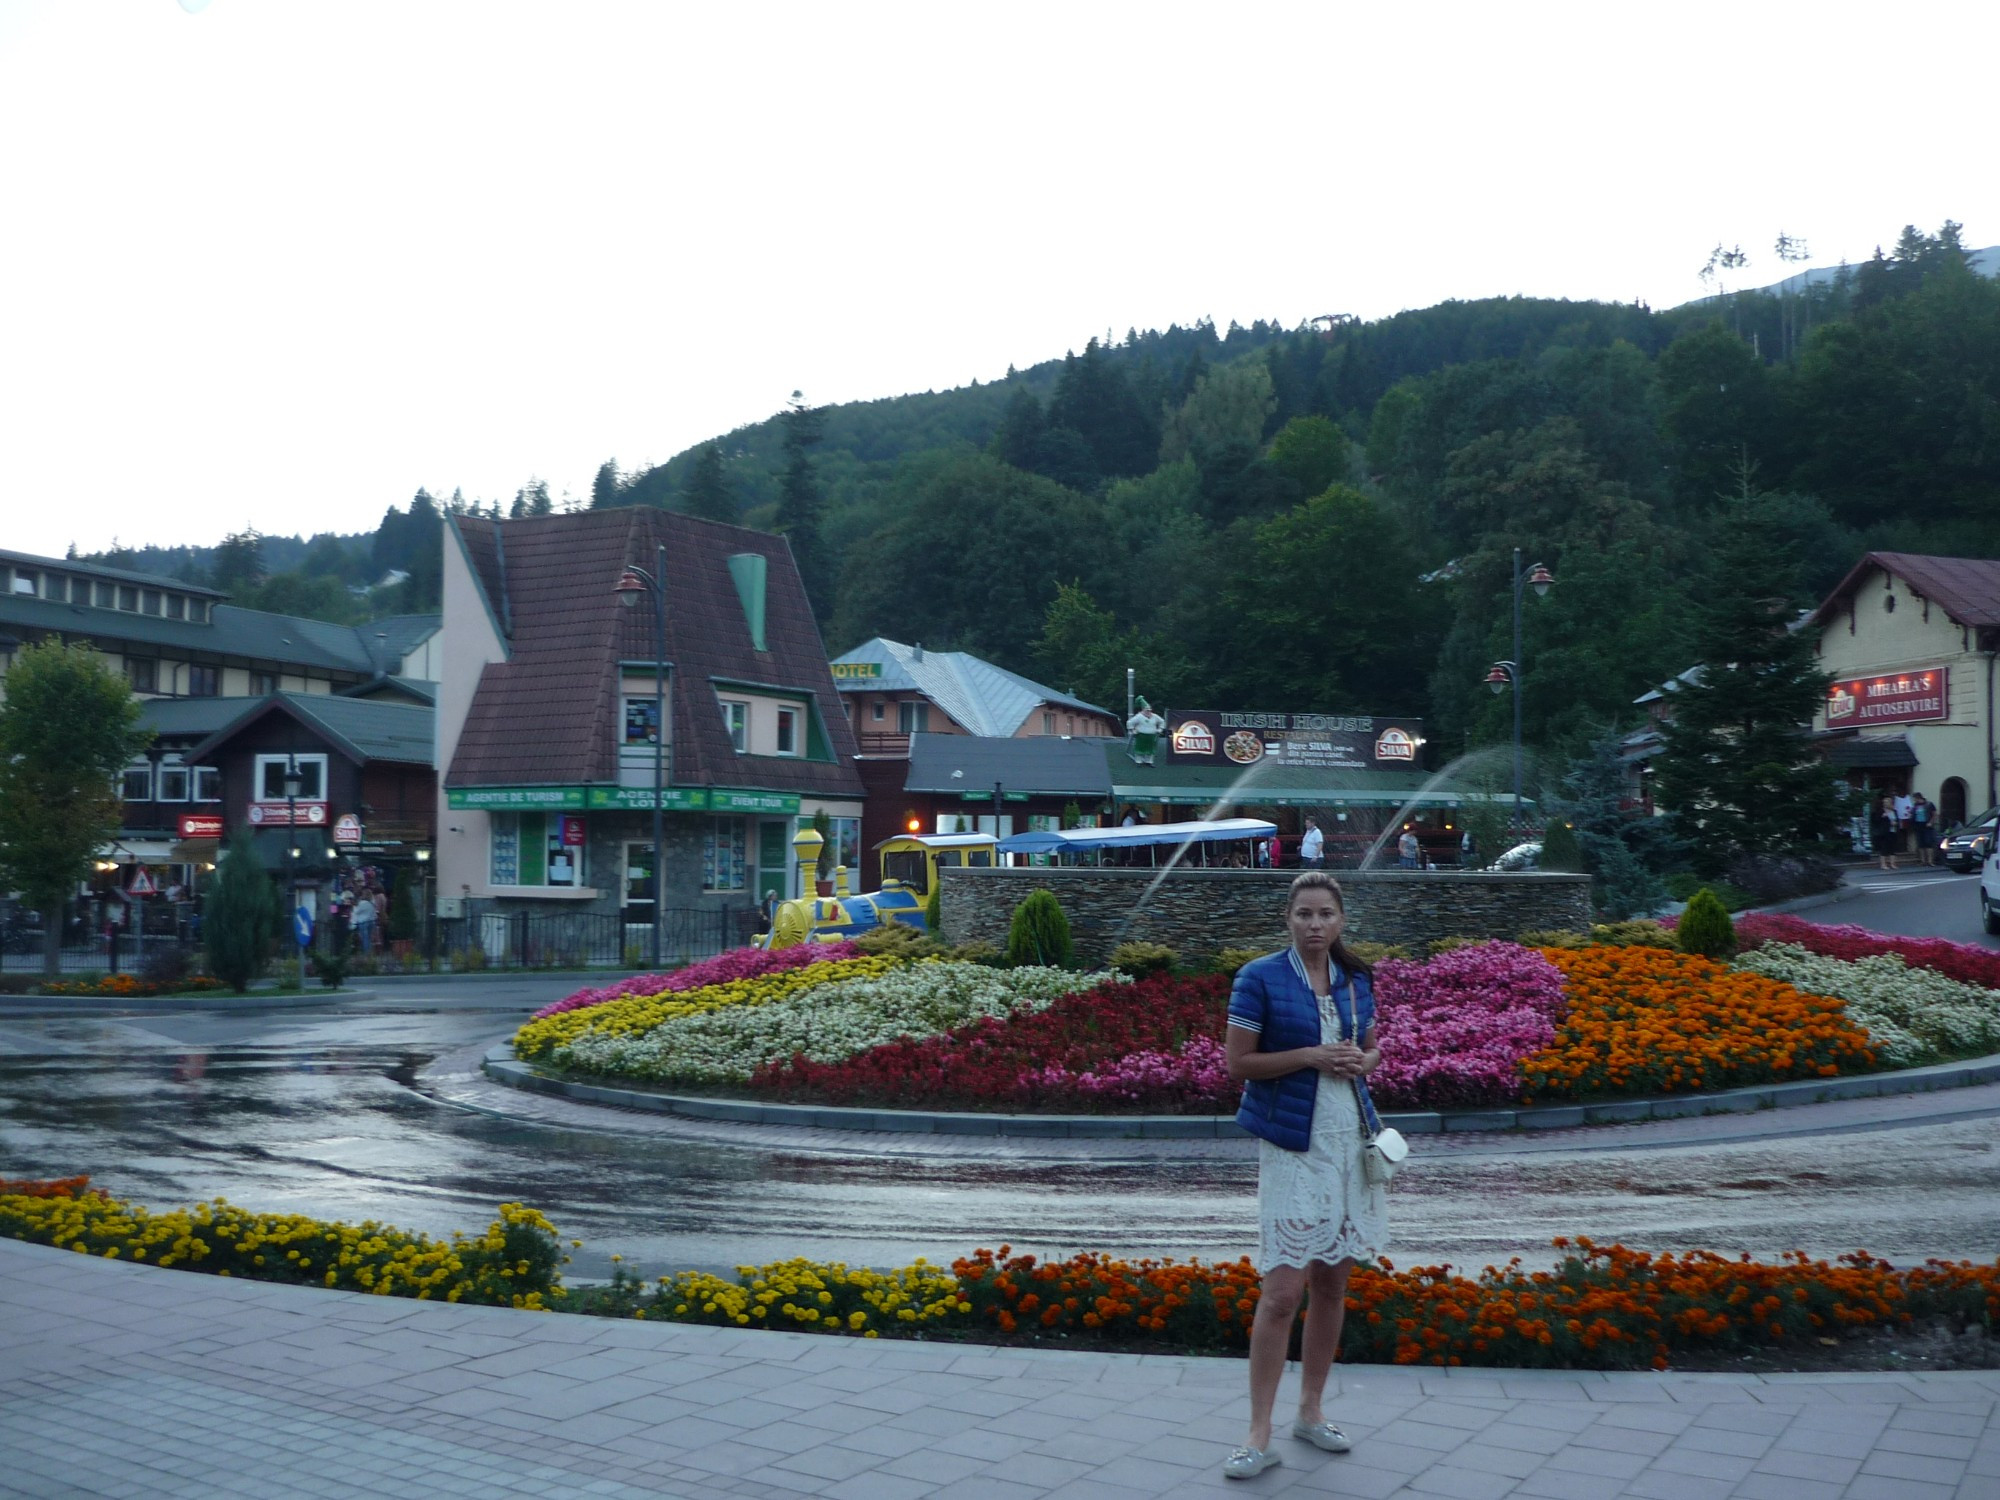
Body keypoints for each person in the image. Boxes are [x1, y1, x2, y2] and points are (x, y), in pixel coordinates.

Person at [1221, 872, 1387, 1480]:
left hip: (1350, 1141)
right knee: (1282, 1293)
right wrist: (1314, 1056)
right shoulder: (1259, 977)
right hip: (1294, 1147)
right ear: (1288, 919)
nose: (1315, 924)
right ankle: (1257, 1432)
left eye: (1325, 914)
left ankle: (1310, 1412)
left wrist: (1356, 1059)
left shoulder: (1357, 978)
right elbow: (1239, 1063)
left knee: (1333, 1286)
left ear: (1341, 920)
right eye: (1304, 914)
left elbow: (1372, 1051)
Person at [1872, 793, 1899, 872]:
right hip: (1884, 832)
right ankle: (1883, 864)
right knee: (1884, 848)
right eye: (1884, 803)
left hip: (1893, 831)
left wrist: (1896, 823)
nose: (1886, 804)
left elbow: (1897, 820)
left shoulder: (1894, 811)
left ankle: (1892, 864)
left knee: (1892, 848)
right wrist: (1881, 817)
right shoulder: (1880, 811)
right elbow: (1875, 821)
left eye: (1887, 802)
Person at [350, 882, 377, 954]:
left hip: (363, 922)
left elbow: (357, 911)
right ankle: (370, 953)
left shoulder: (362, 903)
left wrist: (354, 906)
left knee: (364, 939)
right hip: (371, 921)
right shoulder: (373, 903)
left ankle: (366, 953)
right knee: (369, 938)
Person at [1912, 792, 1936, 867]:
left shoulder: (1929, 804)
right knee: (1920, 843)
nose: (1915, 800)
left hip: (1927, 825)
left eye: (1915, 798)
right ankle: (1923, 861)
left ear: (1919, 798)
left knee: (1928, 843)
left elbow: (1934, 814)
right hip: (1918, 825)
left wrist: (1931, 822)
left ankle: (1930, 861)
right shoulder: (1915, 806)